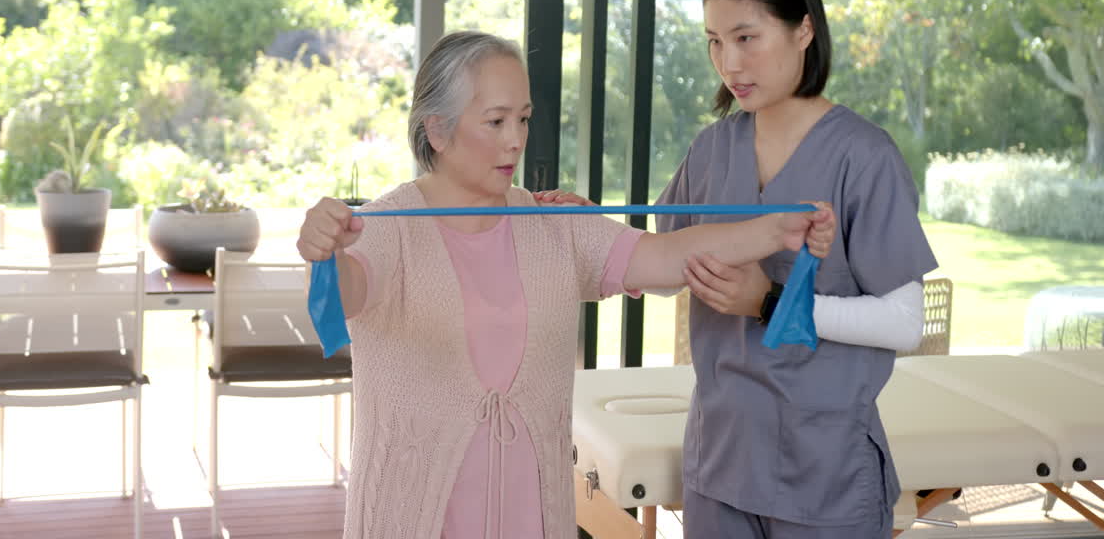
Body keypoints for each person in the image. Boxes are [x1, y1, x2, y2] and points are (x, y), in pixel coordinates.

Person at [297, 30, 835, 539]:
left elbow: (667, 257)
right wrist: (325, 253)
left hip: (535, 515)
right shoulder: (388, 228)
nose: (516, 141)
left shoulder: (551, 224)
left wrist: (776, 229)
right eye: (496, 121)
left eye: (524, 119)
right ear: (437, 129)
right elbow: (346, 296)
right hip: (412, 517)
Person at [659, 0, 938, 538]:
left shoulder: (863, 157)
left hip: (824, 473)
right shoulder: (713, 149)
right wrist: (582, 225)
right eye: (714, 41)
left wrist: (768, 302)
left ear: (804, 29)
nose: (729, 64)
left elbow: (904, 322)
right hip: (719, 465)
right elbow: (662, 268)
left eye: (746, 37)